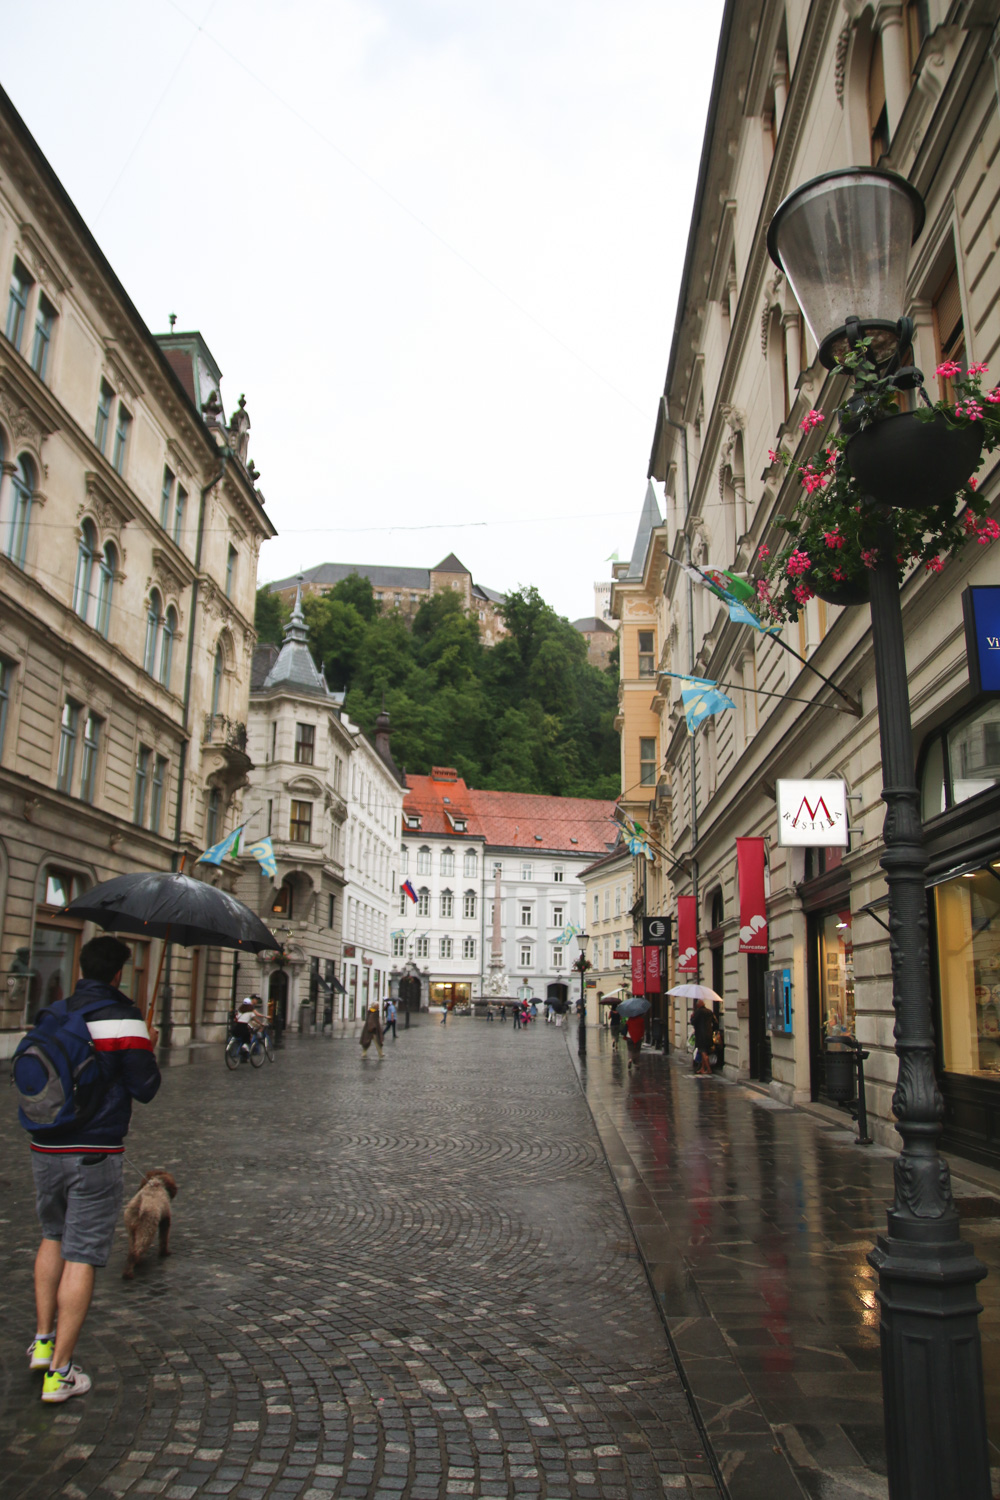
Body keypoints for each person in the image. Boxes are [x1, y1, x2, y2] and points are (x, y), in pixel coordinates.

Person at [26, 935, 161, 1403]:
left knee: (52, 1236)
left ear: (82, 966)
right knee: (81, 1254)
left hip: (44, 1143)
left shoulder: (56, 1011)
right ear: (119, 973)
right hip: (94, 1149)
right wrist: (150, 1047)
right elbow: (145, 1088)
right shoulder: (124, 1017)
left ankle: (42, 1344)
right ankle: (59, 1373)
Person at [231, 996, 264, 1061]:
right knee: (248, 1039)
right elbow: (256, 1020)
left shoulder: (240, 1011)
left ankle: (240, 1053)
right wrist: (261, 1024)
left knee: (238, 1038)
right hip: (244, 1028)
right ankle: (244, 1048)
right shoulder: (250, 1012)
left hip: (236, 1028)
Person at [691, 998, 716, 1076]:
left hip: (701, 1035)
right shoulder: (709, 1011)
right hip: (708, 1034)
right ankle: (702, 1068)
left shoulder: (698, 1012)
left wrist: (692, 1017)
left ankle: (708, 1069)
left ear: (699, 1005)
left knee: (703, 1052)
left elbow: (693, 1022)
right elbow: (715, 1022)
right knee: (704, 1051)